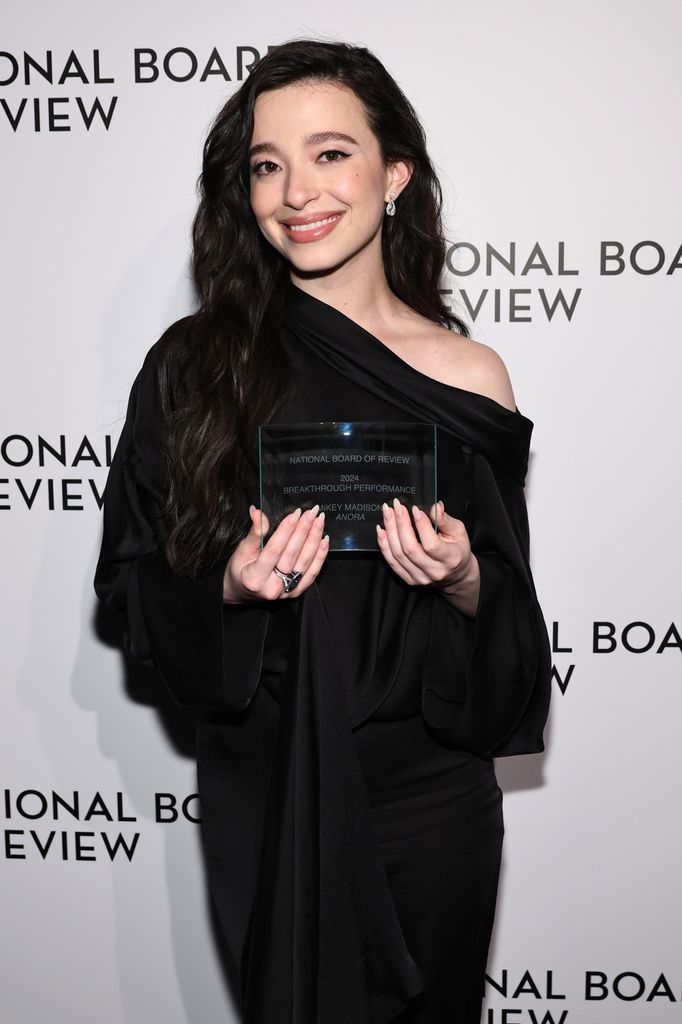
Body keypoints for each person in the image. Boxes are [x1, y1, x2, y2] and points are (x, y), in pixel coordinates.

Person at [94, 38, 551, 1024]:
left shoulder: (471, 377)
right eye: (267, 164)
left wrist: (465, 574)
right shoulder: (193, 369)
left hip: (432, 803)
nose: (296, 189)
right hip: (269, 791)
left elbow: (512, 624)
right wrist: (229, 584)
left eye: (331, 153)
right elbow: (129, 589)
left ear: (393, 174)